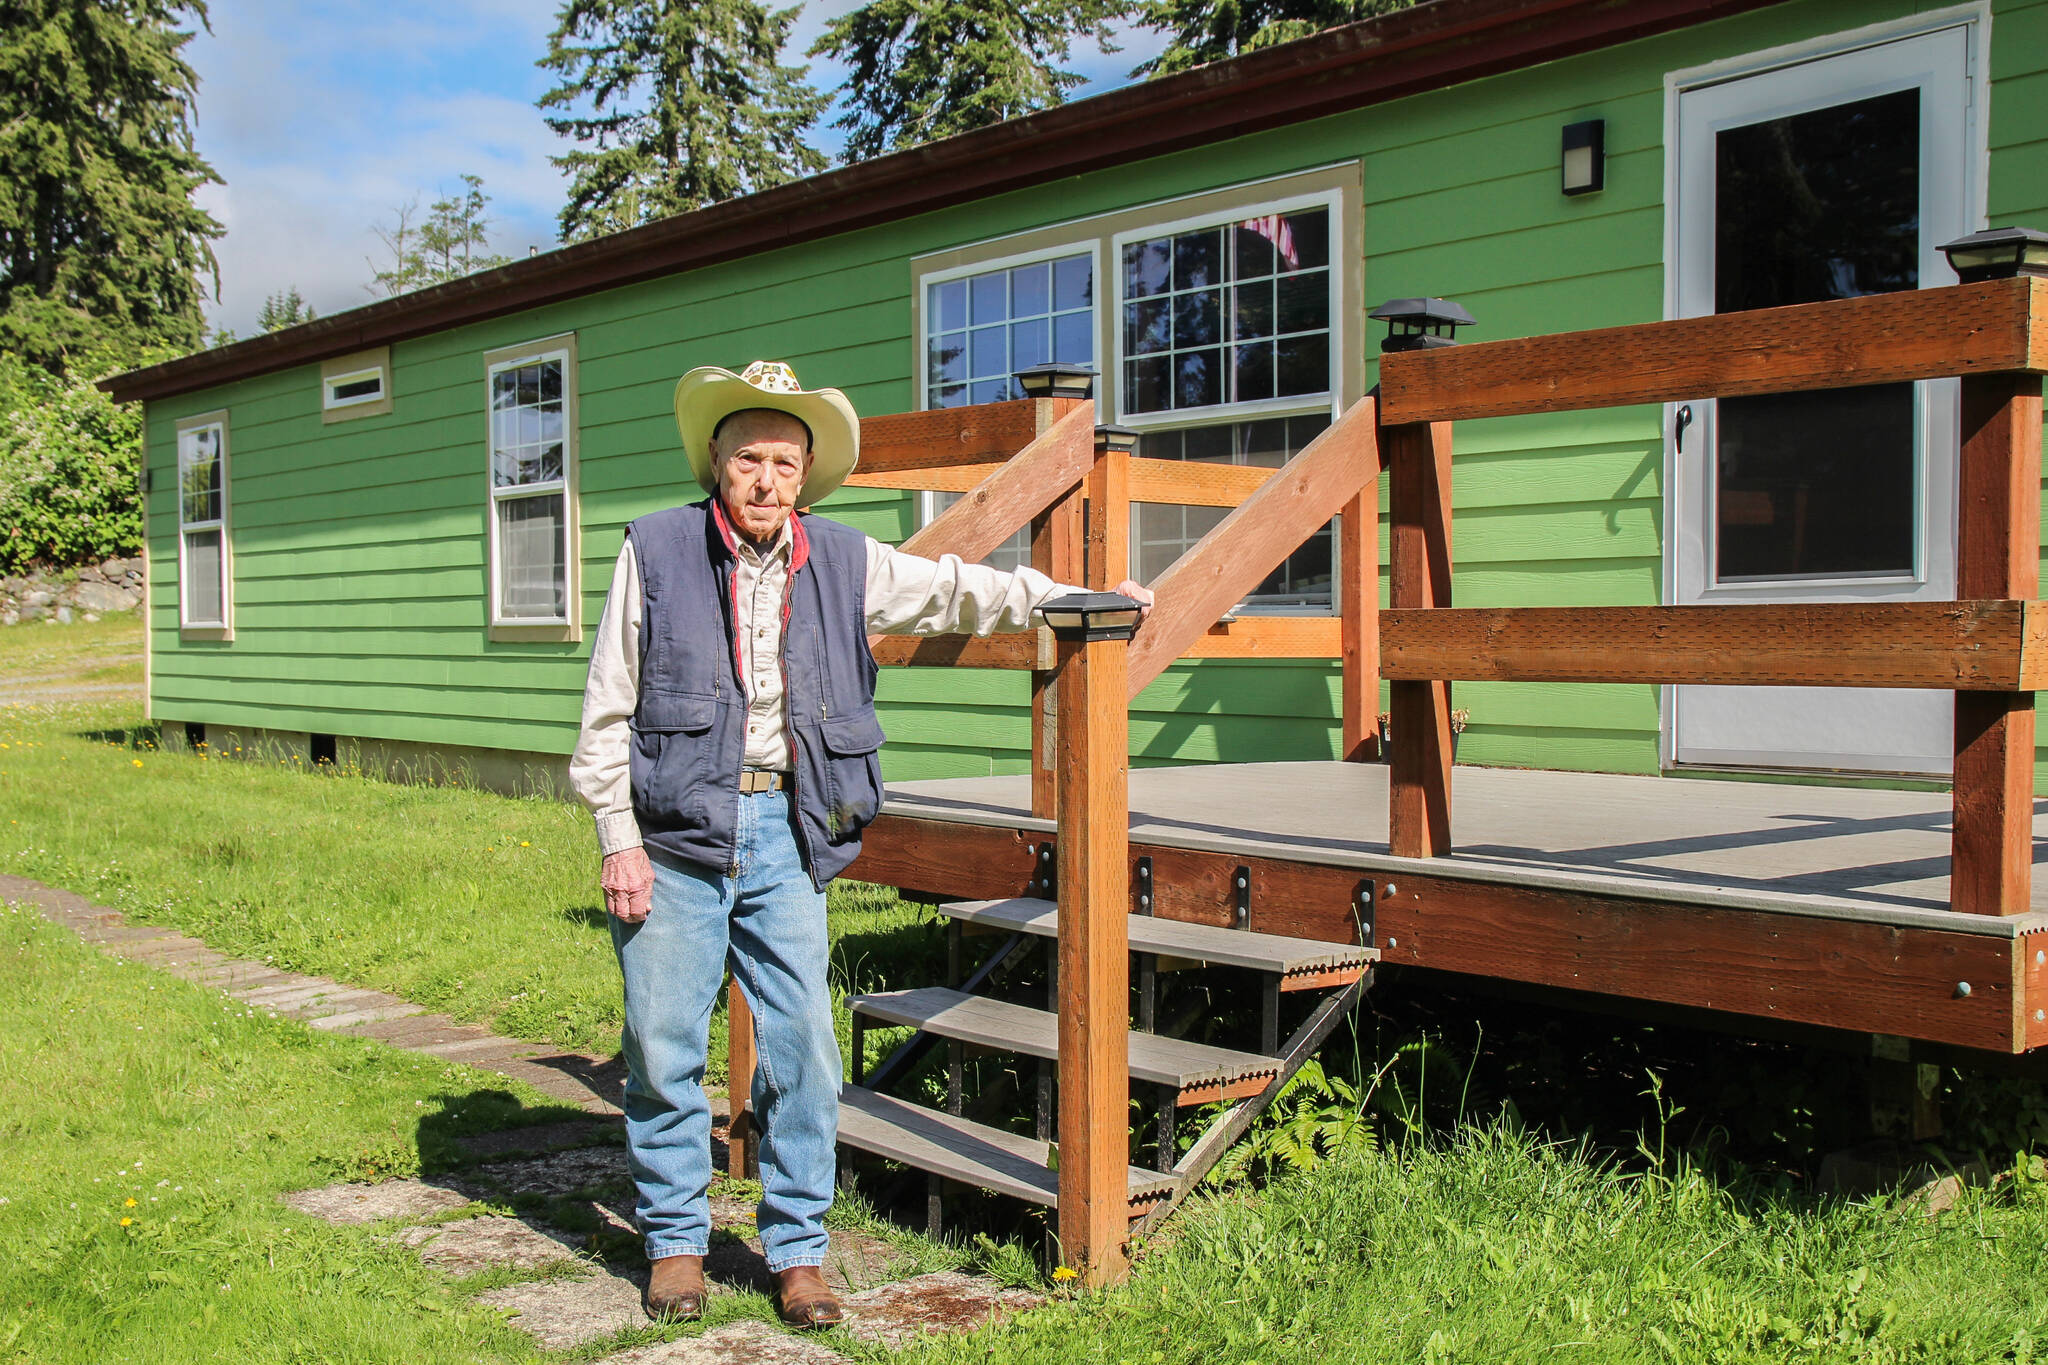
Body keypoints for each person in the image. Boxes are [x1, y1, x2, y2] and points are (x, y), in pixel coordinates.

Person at [569, 360, 1153, 1328]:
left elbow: (957, 591)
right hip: (672, 835)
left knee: (803, 1046)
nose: (765, 480)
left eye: (783, 463)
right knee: (661, 1046)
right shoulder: (655, 549)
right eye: (748, 459)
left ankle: (797, 1252)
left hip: (787, 828)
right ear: (716, 461)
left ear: (805, 474)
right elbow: (606, 708)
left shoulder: (845, 560)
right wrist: (616, 837)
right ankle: (675, 1243)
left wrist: (1073, 596)